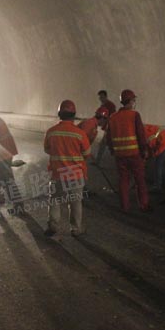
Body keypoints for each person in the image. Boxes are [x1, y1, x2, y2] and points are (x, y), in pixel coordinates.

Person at [44, 100, 91, 237]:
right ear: (74, 115)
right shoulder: (79, 133)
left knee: (55, 200)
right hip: (75, 174)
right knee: (75, 202)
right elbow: (87, 153)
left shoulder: (51, 132)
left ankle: (53, 226)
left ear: (59, 114)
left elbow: (47, 149)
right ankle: (76, 229)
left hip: (57, 174)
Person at [105, 89, 151, 212]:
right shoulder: (134, 115)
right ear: (130, 101)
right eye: (134, 100)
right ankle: (143, 205)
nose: (134, 102)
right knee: (139, 180)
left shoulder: (112, 117)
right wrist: (144, 149)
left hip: (120, 155)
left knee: (123, 180)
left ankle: (125, 206)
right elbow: (140, 134)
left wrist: (112, 150)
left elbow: (108, 137)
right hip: (134, 154)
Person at [144, 123, 165, 192]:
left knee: (158, 165)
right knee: (160, 164)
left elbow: (152, 146)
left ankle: (157, 186)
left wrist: (146, 158)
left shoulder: (144, 135)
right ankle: (162, 183)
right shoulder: (144, 128)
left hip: (163, 142)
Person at [94, 90, 117, 164]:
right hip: (108, 128)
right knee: (104, 145)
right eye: (100, 97)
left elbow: (112, 117)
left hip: (111, 128)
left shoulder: (111, 105)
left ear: (105, 96)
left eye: (102, 97)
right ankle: (98, 161)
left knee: (107, 145)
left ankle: (98, 161)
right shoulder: (103, 105)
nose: (101, 98)